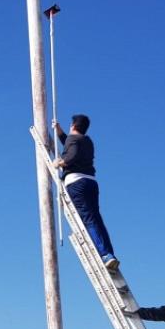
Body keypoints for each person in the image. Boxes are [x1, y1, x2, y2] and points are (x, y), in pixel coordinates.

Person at [52, 114, 118, 270]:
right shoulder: (87, 141)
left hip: (76, 182)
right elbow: (70, 145)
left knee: (88, 220)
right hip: (91, 182)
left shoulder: (73, 140)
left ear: (73, 126)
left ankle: (104, 254)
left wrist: (60, 162)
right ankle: (109, 253)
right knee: (96, 218)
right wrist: (60, 133)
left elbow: (72, 154)